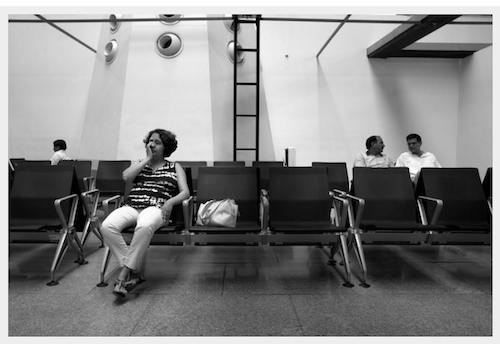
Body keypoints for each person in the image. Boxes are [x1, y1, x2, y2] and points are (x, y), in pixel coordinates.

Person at [100, 128, 190, 298]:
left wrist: (169, 202)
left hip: (156, 208)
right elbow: (126, 177)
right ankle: (133, 271)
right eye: (150, 141)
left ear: (166, 147)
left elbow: (185, 192)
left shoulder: (174, 166)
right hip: (132, 206)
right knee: (107, 226)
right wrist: (147, 159)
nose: (152, 144)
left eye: (157, 142)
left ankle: (123, 275)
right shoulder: (141, 164)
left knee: (144, 225)